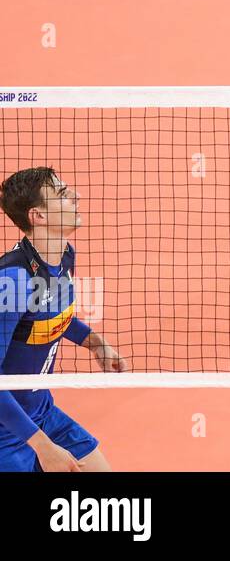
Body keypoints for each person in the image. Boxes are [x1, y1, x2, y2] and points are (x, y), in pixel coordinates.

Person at [0, 167, 127, 472]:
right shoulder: (13, 282)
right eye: (61, 195)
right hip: (7, 428)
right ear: (38, 216)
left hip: (42, 411)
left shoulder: (63, 256)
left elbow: (51, 314)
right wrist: (43, 447)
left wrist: (93, 342)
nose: (76, 196)